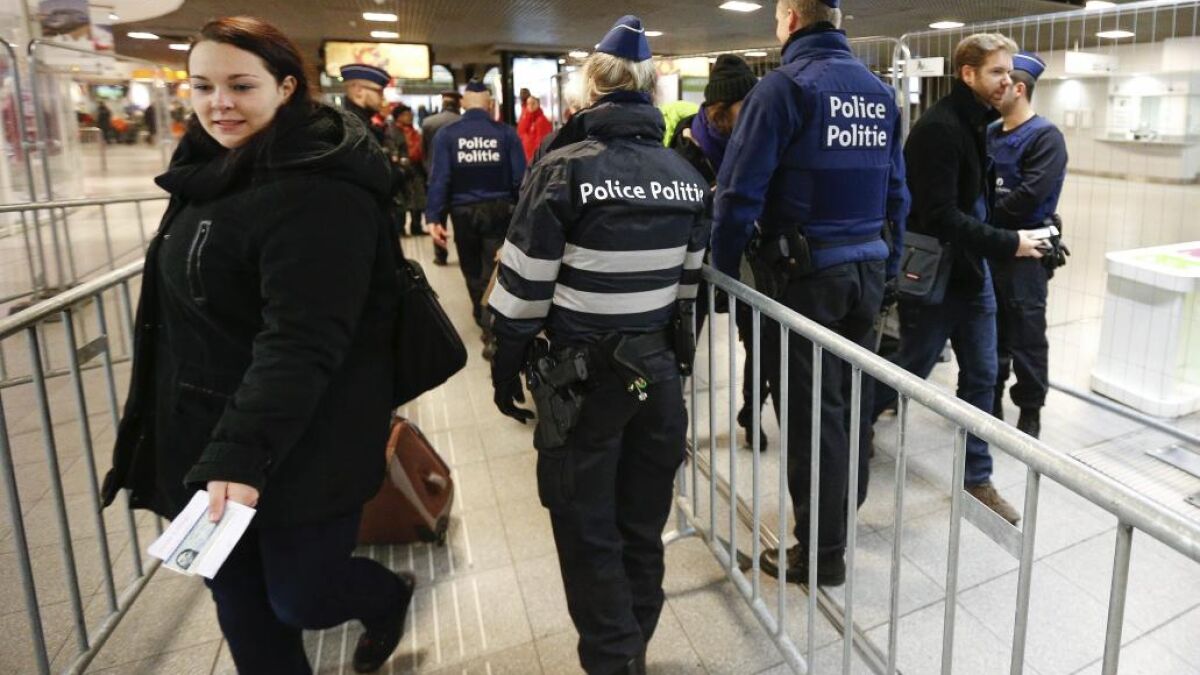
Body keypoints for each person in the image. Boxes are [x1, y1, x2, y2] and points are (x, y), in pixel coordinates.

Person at [99, 17, 414, 675]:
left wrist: (241, 452)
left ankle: (387, 595)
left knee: (303, 596)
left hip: (308, 435)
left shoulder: (324, 191)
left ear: (286, 87)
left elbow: (301, 340)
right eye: (202, 86)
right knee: (242, 607)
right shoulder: (205, 168)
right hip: (209, 435)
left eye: (241, 86)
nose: (219, 103)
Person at [487, 16, 709, 674]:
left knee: (588, 531)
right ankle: (633, 646)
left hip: (582, 384)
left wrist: (504, 368)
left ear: (590, 91)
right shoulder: (686, 174)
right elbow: (688, 294)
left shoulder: (564, 170)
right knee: (641, 526)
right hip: (656, 377)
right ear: (650, 88)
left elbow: (523, 291)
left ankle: (615, 661)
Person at [711, 0, 910, 587]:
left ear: (791, 19)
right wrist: (890, 266)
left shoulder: (783, 89)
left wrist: (724, 277)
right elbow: (898, 195)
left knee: (808, 414)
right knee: (849, 402)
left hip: (805, 279)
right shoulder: (879, 93)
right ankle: (841, 517)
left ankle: (821, 553)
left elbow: (738, 196)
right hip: (866, 271)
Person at [868, 33, 1047, 525]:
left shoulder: (980, 123)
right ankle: (857, 423)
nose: (1008, 81)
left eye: (1009, 72)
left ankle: (976, 477)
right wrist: (1008, 242)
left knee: (983, 375)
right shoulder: (940, 130)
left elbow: (976, 204)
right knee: (910, 369)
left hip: (972, 273)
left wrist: (1000, 242)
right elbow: (941, 215)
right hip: (937, 276)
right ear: (968, 74)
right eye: (997, 72)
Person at [667, 53, 766, 450]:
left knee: (758, 342)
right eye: (746, 106)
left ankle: (751, 413)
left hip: (746, 258)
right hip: (697, 265)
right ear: (720, 108)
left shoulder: (758, 143)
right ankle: (673, 428)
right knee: (683, 345)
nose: (754, 114)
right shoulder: (685, 149)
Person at [988, 51, 1067, 440]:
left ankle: (1030, 409)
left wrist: (982, 218)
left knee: (1027, 333)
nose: (995, 90)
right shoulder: (990, 132)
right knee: (991, 330)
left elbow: (1030, 196)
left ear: (1019, 89)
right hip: (992, 245)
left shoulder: (1045, 137)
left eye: (1002, 83)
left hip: (1027, 250)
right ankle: (991, 398)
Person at [426, 80, 526, 358]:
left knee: (471, 270)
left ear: (463, 104)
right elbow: (521, 180)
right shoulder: (506, 134)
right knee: (493, 269)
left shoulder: (448, 136)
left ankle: (482, 317)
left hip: (463, 213)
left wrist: (434, 217)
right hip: (499, 211)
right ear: (489, 105)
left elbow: (440, 179)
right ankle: (491, 324)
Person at [420, 90, 463, 265]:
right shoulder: (461, 122)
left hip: (435, 175)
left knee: (438, 217)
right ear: (458, 104)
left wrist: (428, 170)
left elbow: (424, 152)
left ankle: (440, 255)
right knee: (460, 220)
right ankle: (464, 253)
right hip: (458, 177)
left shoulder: (428, 123)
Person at [393, 104, 428, 236]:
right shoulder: (394, 131)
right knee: (402, 200)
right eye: (407, 114)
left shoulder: (414, 131)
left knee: (418, 199)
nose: (411, 117)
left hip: (416, 168)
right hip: (402, 170)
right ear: (399, 117)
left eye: (411, 114)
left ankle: (416, 226)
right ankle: (400, 229)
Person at [517, 94, 553, 162]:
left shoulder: (542, 121)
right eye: (528, 104)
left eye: (533, 103)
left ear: (538, 104)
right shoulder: (524, 119)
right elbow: (520, 135)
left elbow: (542, 142)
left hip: (536, 159)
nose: (530, 106)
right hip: (525, 157)